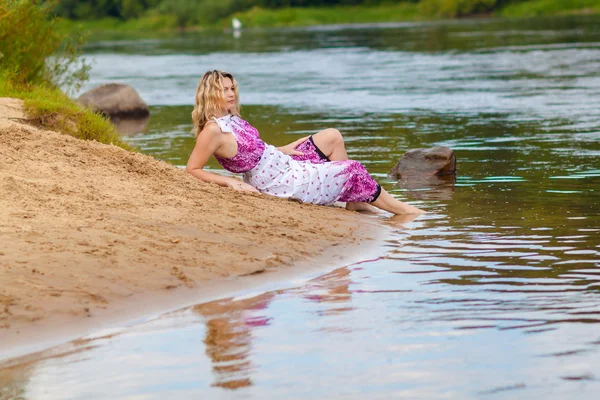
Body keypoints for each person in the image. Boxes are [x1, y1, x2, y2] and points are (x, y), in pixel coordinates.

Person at [185, 70, 425, 215]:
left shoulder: (231, 118)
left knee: (332, 136)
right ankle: (406, 211)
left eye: (231, 88)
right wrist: (229, 183)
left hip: (282, 162)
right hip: (279, 181)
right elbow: (193, 169)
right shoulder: (213, 130)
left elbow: (252, 151)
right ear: (209, 93)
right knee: (353, 169)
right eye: (224, 89)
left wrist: (283, 149)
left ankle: (353, 201)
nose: (231, 94)